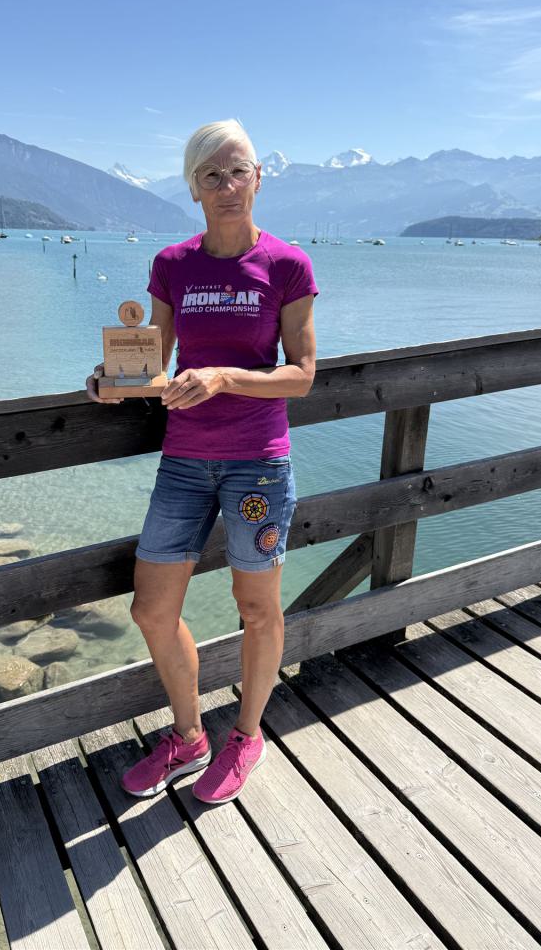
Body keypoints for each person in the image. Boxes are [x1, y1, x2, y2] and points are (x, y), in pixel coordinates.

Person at [86, 118, 318, 804]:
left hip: (258, 464)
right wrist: (112, 381)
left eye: (238, 171)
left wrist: (221, 377)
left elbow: (303, 375)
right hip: (185, 461)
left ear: (258, 178)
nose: (227, 185)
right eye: (211, 175)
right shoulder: (173, 264)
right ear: (193, 188)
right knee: (151, 610)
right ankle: (188, 737)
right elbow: (153, 364)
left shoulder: (287, 264)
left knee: (257, 608)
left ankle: (246, 735)